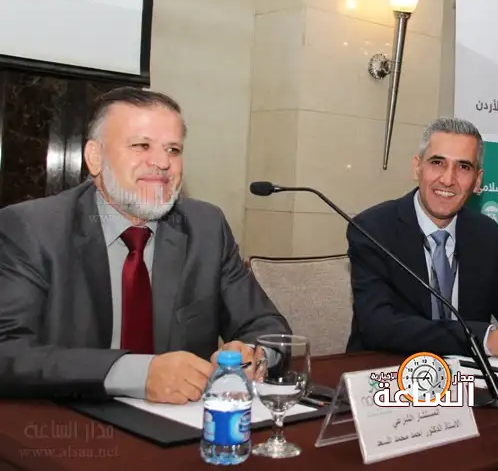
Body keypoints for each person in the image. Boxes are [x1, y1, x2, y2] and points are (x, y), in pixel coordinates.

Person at [0, 87, 291, 403]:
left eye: (173, 150)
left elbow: (267, 327)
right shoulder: (33, 229)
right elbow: (8, 351)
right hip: (70, 417)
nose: (162, 163)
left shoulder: (206, 227)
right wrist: (137, 373)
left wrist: (254, 354)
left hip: (182, 421)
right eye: (142, 146)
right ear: (95, 157)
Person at [346, 117, 498, 360]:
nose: (448, 180)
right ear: (417, 167)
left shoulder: (485, 233)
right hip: (385, 370)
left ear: (477, 180)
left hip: (467, 376)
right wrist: (486, 340)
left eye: (463, 167)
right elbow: (378, 326)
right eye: (437, 163)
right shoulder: (373, 229)